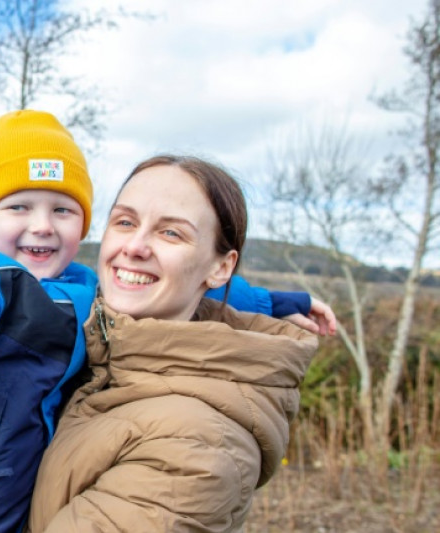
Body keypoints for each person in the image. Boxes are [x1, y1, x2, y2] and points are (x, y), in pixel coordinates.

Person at [0, 112, 329, 532]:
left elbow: (198, 286)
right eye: (18, 206)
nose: (42, 224)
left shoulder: (80, 290)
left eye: (63, 210)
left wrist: (279, 301)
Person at [25, 155, 325, 532]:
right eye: (125, 222)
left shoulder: (196, 449)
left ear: (221, 268)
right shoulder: (93, 347)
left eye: (171, 233)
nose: (134, 246)